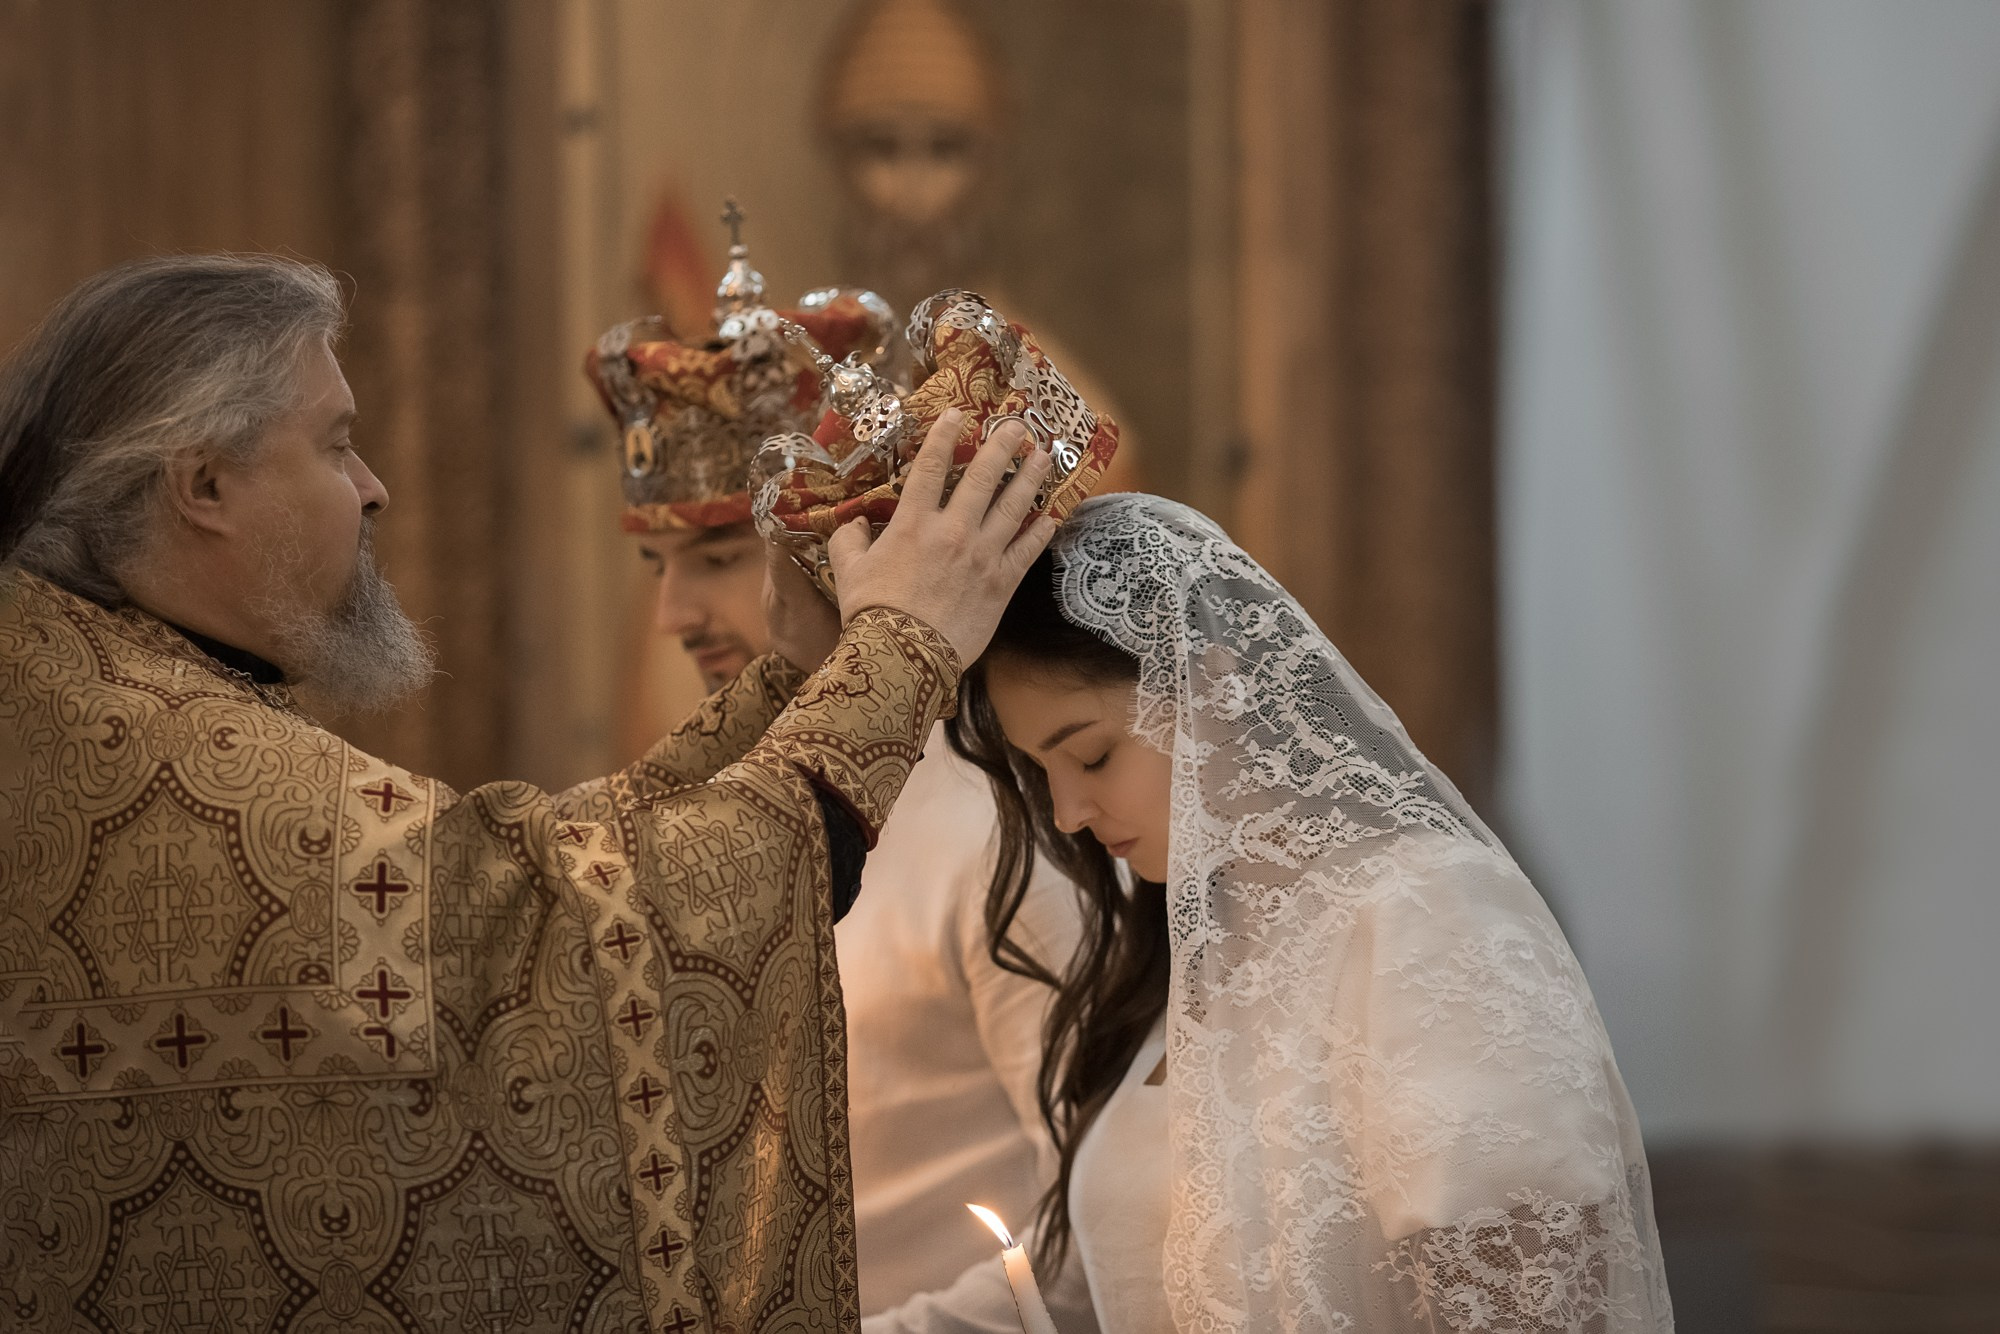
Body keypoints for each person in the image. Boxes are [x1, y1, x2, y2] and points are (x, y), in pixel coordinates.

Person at [0, 253, 1057, 1333]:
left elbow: (545, 882)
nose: (373, 485)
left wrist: (799, 678)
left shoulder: (85, 693)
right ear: (203, 485)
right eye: (334, 442)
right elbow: (534, 941)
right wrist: (902, 648)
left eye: (717, 553)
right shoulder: (136, 741)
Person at [946, 493, 1677, 1333]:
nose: (1067, 810)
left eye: (1091, 755)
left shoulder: (1425, 915)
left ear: (1213, 689)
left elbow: (1526, 1300)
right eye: (1042, 773)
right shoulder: (1197, 947)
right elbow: (1098, 1282)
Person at [586, 224, 1091, 1324]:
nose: (674, 615)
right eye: (657, 567)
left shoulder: (1008, 826)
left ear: (847, 545)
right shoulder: (719, 813)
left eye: (720, 556)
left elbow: (1104, 1214)